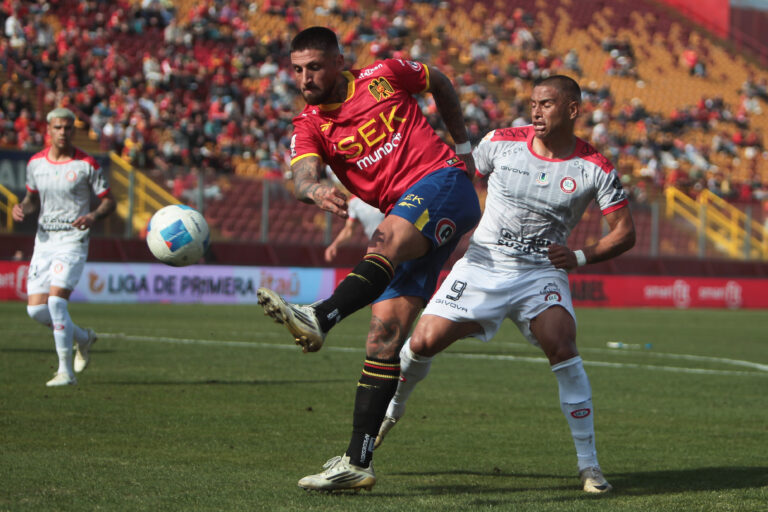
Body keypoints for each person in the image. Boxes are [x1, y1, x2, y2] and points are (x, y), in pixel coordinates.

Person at [375, 75, 636, 494]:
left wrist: (582, 256)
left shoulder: (594, 166)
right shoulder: (501, 141)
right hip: (482, 263)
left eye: (547, 104)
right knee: (422, 342)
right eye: (533, 103)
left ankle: (590, 467)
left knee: (562, 343)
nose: (536, 111)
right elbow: (456, 180)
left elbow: (625, 232)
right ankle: (389, 414)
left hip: (539, 273)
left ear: (572, 110)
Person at [256, 26, 481, 491]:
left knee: (381, 242)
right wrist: (316, 189)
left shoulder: (385, 74)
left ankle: (321, 314)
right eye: (297, 70)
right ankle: (358, 461)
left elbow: (438, 80)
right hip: (408, 217)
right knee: (383, 336)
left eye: (314, 67)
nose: (305, 79)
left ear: (340, 61)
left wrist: (463, 147)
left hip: (442, 182)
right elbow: (302, 177)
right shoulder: (309, 125)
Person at [12, 107, 116, 387]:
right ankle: (83, 338)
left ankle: (65, 373)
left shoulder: (86, 164)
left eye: (68, 128)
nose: (62, 132)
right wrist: (22, 208)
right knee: (36, 311)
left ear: (73, 130)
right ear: (48, 130)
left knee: (57, 302)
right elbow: (32, 199)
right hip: (44, 241)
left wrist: (93, 216)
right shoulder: (35, 163)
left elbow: (109, 200)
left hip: (73, 240)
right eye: (57, 128)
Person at [324, 195, 385, 263]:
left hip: (396, 246)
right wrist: (334, 245)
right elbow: (349, 229)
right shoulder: (354, 201)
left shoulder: (387, 191)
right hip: (378, 251)